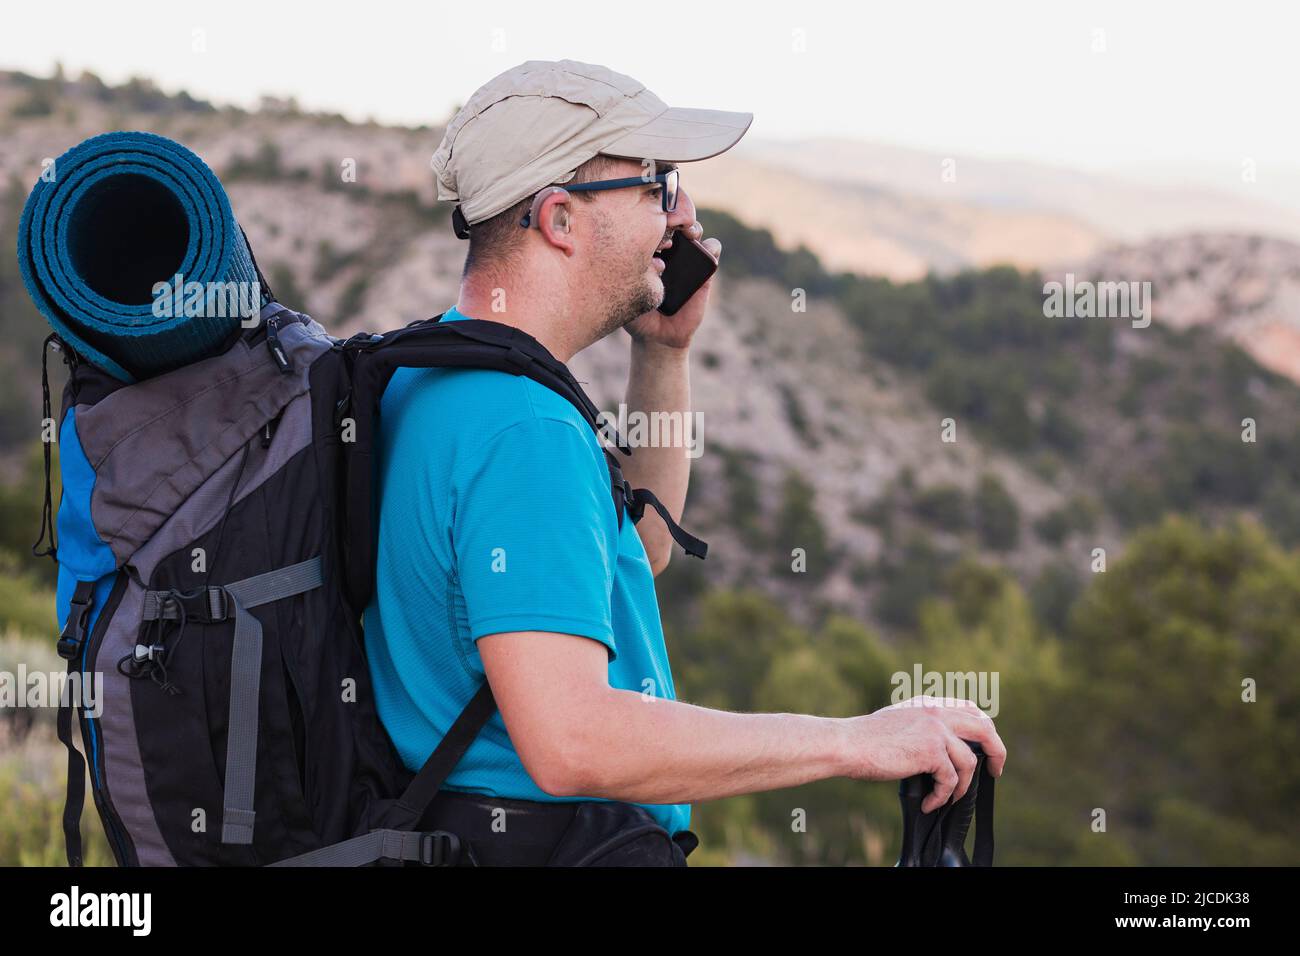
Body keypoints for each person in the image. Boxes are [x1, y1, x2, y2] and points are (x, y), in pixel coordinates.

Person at [364, 59, 1007, 866]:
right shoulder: (523, 430)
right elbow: (572, 740)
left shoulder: (442, 374)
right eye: (654, 185)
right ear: (561, 219)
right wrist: (856, 741)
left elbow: (642, 552)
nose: (679, 214)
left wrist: (665, 355)